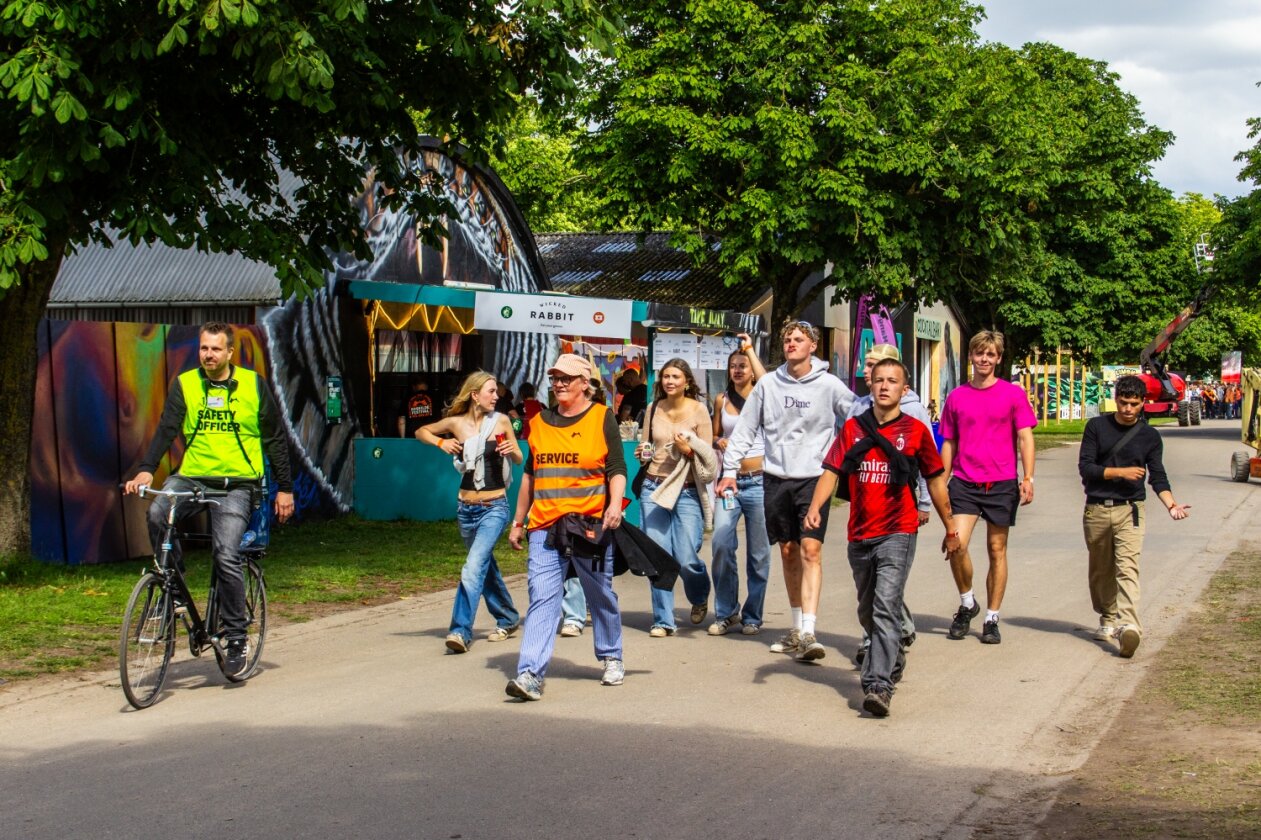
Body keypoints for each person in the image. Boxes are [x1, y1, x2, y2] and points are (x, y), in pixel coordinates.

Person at [124, 322, 295, 676]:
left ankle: (236, 637)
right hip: (192, 477)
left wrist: (285, 487)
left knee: (226, 553)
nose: (208, 355)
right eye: (203, 348)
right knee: (157, 513)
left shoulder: (252, 384)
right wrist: (145, 469)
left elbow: (276, 438)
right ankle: (172, 584)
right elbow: (167, 428)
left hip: (238, 484)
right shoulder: (187, 384)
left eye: (216, 349)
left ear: (230, 352)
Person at [804, 358, 962, 717]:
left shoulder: (917, 431)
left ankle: (878, 685)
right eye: (878, 380)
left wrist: (950, 526)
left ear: (904, 389)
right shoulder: (853, 428)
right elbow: (830, 471)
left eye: (892, 381)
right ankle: (894, 653)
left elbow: (935, 479)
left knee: (885, 606)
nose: (885, 386)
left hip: (898, 529)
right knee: (866, 609)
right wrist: (815, 508)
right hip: (860, 531)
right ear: (870, 386)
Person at [716, 319, 856, 660]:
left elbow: (857, 417)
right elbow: (746, 430)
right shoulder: (769, 386)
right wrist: (729, 472)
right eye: (788, 339)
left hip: (815, 478)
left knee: (811, 550)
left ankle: (809, 631)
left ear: (812, 347)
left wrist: (846, 457)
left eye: (799, 339)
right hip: (776, 478)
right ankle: (796, 628)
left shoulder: (828, 385)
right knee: (789, 552)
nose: (792, 344)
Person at [505, 354, 628, 700]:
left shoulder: (602, 418)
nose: (559, 383)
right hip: (545, 525)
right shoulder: (540, 421)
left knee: (599, 593)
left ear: (585, 384)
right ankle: (530, 673)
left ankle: (611, 656)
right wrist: (518, 521)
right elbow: (530, 475)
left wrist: (614, 505)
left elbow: (616, 468)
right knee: (543, 597)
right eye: (555, 377)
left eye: (567, 378)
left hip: (589, 525)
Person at [1079, 375, 1190, 658]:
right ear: (1115, 400)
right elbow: (1087, 468)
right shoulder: (1096, 427)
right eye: (1124, 403)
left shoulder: (1150, 436)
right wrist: (1120, 472)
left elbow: (1158, 476)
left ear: (1143, 403)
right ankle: (1107, 617)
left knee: (1128, 568)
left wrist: (1171, 505)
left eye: (1134, 404)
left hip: (1132, 510)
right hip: (1097, 509)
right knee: (1101, 570)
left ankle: (1129, 626)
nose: (1128, 409)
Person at [938, 330, 1037, 645]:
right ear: (971, 356)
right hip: (965, 482)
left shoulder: (1012, 394)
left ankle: (992, 618)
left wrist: (1028, 477)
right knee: (957, 544)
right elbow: (949, 441)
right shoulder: (957, 397)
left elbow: (1025, 437)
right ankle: (968, 602)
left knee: (997, 550)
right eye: (979, 353)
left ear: (998, 358)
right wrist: (941, 479)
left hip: (1001, 482)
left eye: (991, 354)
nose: (984, 359)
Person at [417, 372, 523, 652]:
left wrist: (512, 449)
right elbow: (421, 431)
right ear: (475, 394)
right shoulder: (456, 423)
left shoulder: (500, 421)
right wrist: (441, 443)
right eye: (491, 391)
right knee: (483, 567)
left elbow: (519, 457)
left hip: (495, 507)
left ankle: (460, 630)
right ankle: (508, 616)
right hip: (465, 509)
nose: (496, 396)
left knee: (473, 567)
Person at [846, 344, 932, 661]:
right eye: (868, 366)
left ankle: (876, 646)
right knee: (876, 588)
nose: (868, 371)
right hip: (866, 508)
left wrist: (924, 503)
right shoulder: (858, 407)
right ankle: (902, 628)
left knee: (888, 585)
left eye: (876, 366)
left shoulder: (914, 411)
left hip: (900, 509)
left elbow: (928, 463)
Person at [636, 358, 716, 636]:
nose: (669, 381)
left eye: (675, 377)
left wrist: (689, 450)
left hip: (687, 490)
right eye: (666, 376)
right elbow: (647, 443)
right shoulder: (652, 408)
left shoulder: (699, 411)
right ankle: (663, 620)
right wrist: (642, 452)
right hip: (653, 488)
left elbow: (709, 459)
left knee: (685, 557)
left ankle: (699, 594)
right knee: (658, 555)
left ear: (687, 382)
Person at [708, 333, 771, 636]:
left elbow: (766, 380)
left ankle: (753, 615)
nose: (738, 370)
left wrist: (749, 349)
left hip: (759, 481)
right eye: (733, 365)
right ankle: (726, 610)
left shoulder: (763, 394)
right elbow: (713, 433)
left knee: (758, 553)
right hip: (730, 482)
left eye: (743, 365)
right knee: (720, 542)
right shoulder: (721, 399)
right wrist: (717, 440)